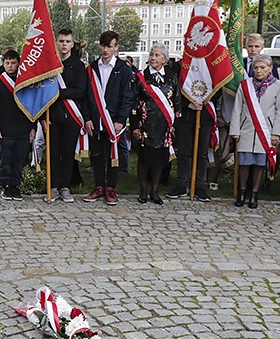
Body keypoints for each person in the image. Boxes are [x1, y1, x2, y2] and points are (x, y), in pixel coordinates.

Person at [84, 30, 135, 206]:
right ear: (99, 46)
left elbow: (128, 98)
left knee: (113, 154)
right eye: (103, 45)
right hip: (96, 119)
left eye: (110, 46)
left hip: (114, 120)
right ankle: (99, 186)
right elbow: (86, 96)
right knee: (97, 154)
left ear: (116, 47)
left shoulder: (123, 70)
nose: (106, 50)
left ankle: (111, 187)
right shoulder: (91, 68)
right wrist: (87, 118)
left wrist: (121, 120)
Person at [229, 55, 280, 209]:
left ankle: (254, 193)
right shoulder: (245, 85)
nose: (259, 71)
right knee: (244, 163)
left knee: (260, 164)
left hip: (266, 131)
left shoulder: (278, 86)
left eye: (262, 67)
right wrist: (235, 130)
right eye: (256, 68)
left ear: (270, 68)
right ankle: (241, 192)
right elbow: (237, 109)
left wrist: (276, 133)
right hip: (246, 129)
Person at [131, 43, 180, 204]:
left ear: (165, 59)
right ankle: (143, 191)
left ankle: (155, 192)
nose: (153, 58)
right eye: (152, 54)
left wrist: (175, 125)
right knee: (144, 159)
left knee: (160, 160)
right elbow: (133, 103)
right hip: (145, 124)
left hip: (164, 126)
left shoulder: (172, 75)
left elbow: (177, 100)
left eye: (157, 55)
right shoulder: (141, 77)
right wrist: (135, 127)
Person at [44, 28, 89, 203]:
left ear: (72, 44)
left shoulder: (78, 66)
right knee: (53, 153)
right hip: (52, 117)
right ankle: (53, 187)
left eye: (67, 41)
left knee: (68, 153)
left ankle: (65, 187)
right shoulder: (50, 65)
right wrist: (42, 118)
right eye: (61, 41)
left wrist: (59, 94)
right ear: (57, 42)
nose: (64, 44)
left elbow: (80, 91)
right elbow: (42, 93)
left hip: (71, 117)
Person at [0, 49, 36, 200]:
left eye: (13, 63)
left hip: (22, 128)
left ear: (18, 64)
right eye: (7, 63)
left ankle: (15, 186)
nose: (10, 66)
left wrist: (32, 127)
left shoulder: (24, 82)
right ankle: (5, 185)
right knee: (5, 159)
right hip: (4, 129)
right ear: (3, 63)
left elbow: (31, 106)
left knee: (19, 159)